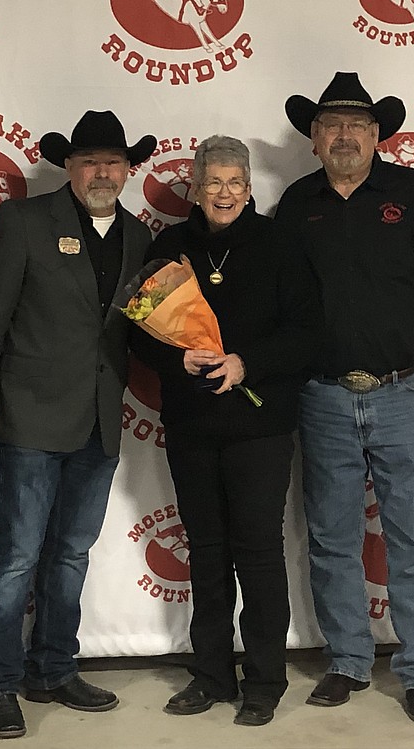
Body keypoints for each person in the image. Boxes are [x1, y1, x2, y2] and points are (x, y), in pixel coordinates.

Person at [275, 72, 414, 725]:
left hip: (405, 387)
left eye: (358, 126)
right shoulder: (296, 204)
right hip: (323, 393)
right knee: (333, 533)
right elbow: (277, 299)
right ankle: (346, 658)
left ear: (377, 136)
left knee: (410, 531)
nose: (345, 136)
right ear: (314, 138)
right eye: (333, 125)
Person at [0, 110, 154, 740]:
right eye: (89, 160)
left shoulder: (140, 237)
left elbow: (143, 330)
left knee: (70, 553)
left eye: (113, 162)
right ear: (67, 167)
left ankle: (52, 668)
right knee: (16, 556)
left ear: (129, 171)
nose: (102, 171)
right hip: (29, 415)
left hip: (99, 421)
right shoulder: (23, 221)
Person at [130, 135, 322, 727]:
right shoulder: (171, 244)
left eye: (235, 182)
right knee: (206, 552)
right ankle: (211, 675)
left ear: (248, 188)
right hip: (191, 424)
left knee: (258, 553)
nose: (224, 192)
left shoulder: (280, 243)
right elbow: (140, 330)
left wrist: (246, 364)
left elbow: (308, 332)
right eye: (213, 181)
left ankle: (264, 680)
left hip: (259, 426)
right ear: (194, 186)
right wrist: (174, 362)